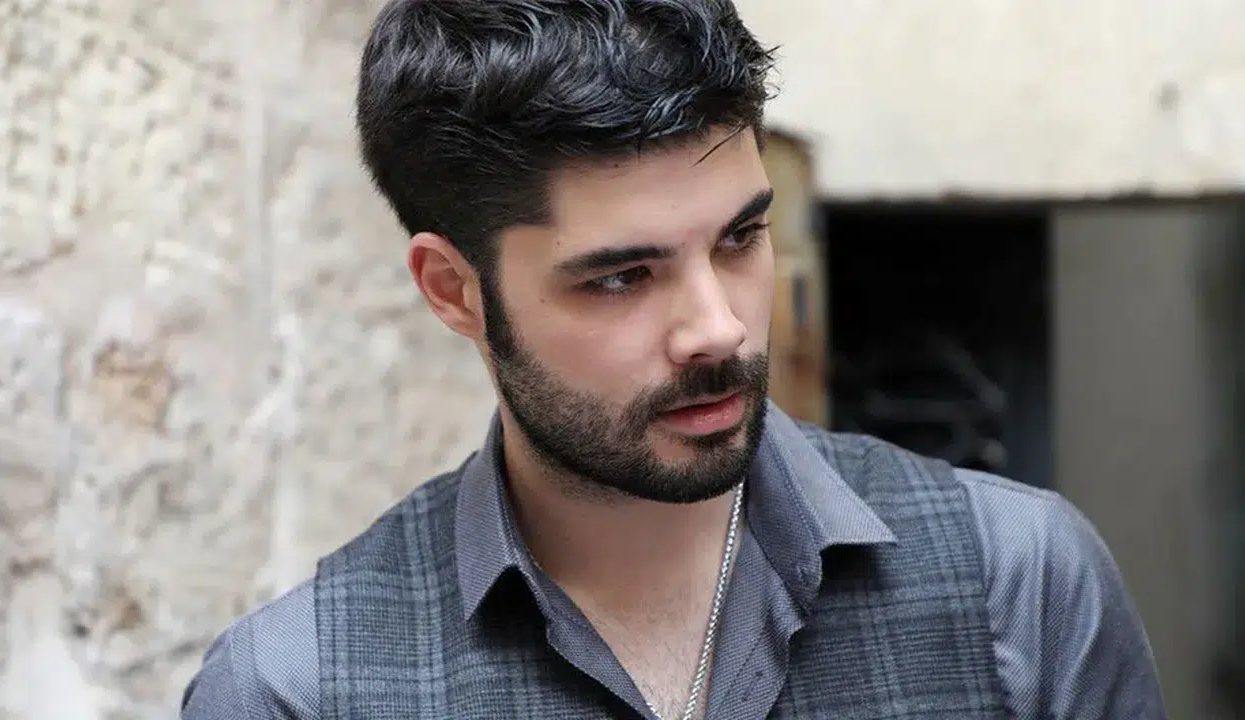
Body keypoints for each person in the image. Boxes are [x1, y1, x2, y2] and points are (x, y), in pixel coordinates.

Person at [180, 1, 1167, 718]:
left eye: (740, 238)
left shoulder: (1018, 587)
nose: (718, 328)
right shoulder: (296, 690)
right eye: (622, 277)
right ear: (453, 290)